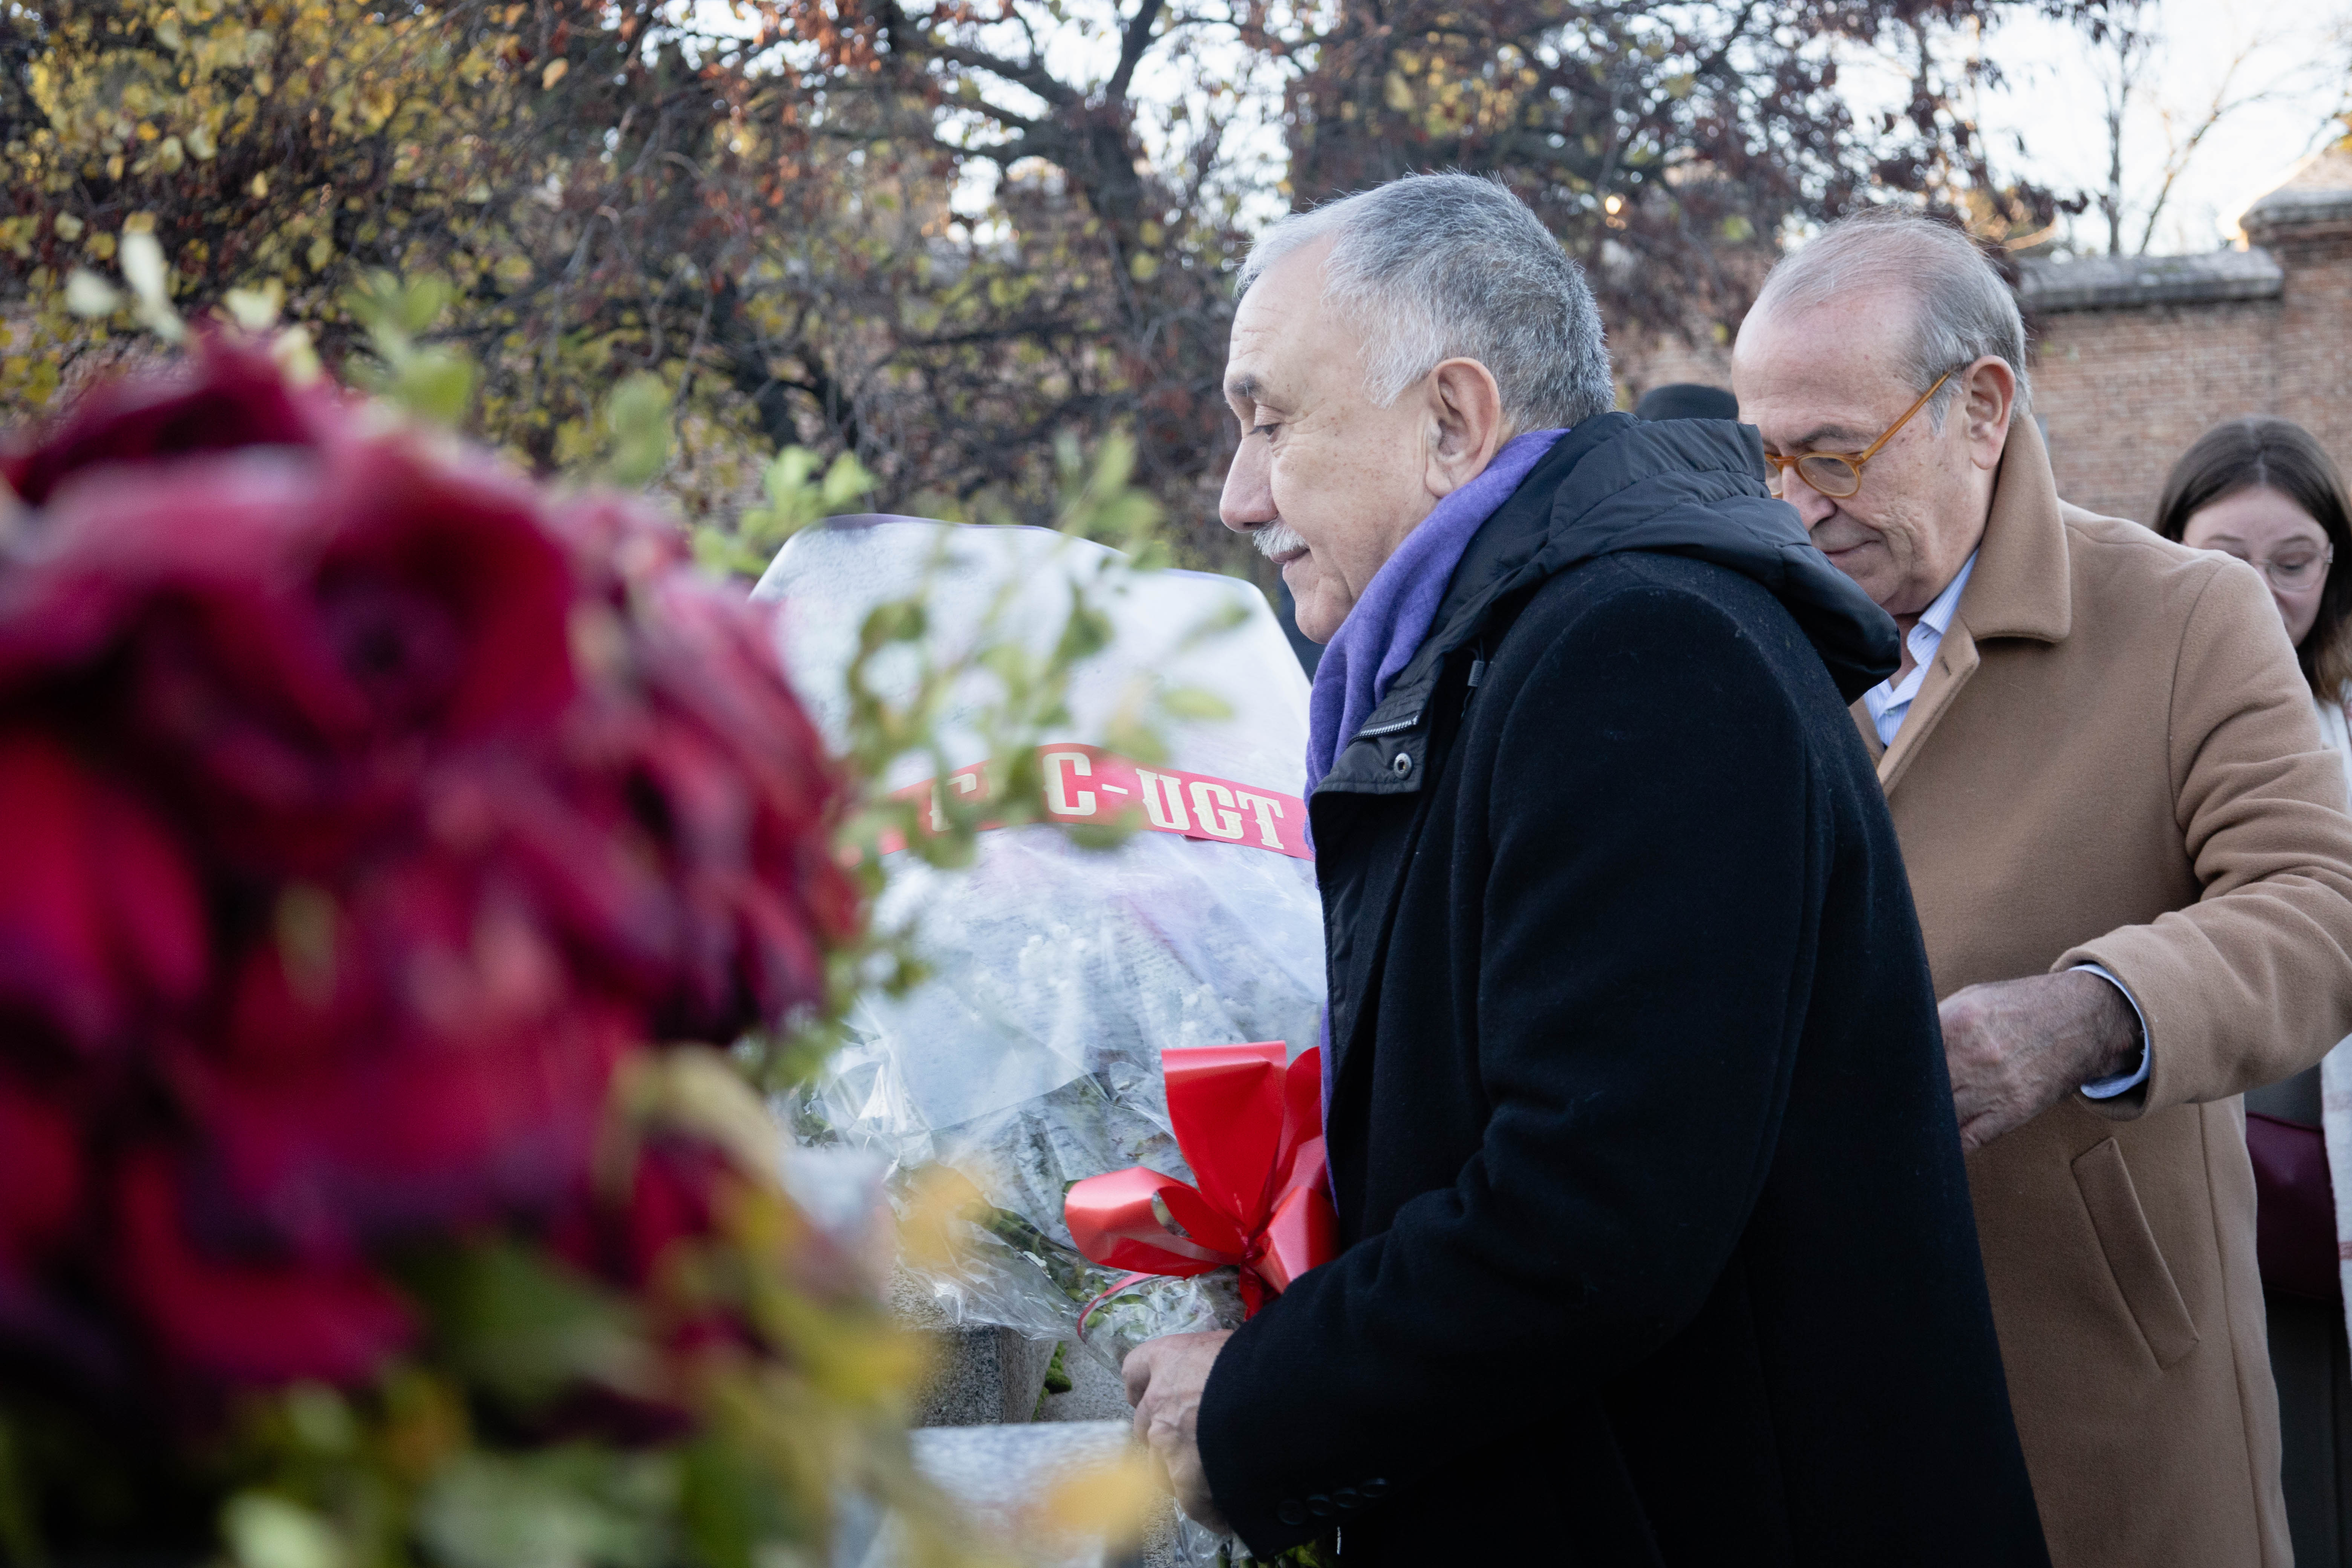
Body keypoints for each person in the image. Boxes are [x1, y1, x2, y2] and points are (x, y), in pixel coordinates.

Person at [1120, 172, 2048, 1563]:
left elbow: (1591, 1217)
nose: (1238, 495)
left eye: (1272, 421)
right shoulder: (1525, 651)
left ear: (1454, 420)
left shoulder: (1639, 654)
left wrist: (1256, 1406)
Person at [1731, 212, 2352, 1568]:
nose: (1794, 502)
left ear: (1984, 410)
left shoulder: (2189, 616)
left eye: (1833, 453)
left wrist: (2092, 1014)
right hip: (1809, 1411)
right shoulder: (1731, 635)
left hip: (2101, 1406)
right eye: (1761, 456)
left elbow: (2320, 904)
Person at [2155, 415, 2352, 1566]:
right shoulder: (2126, 735)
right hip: (2194, 1182)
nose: (2265, 594)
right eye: (2226, 561)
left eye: (2296, 563)